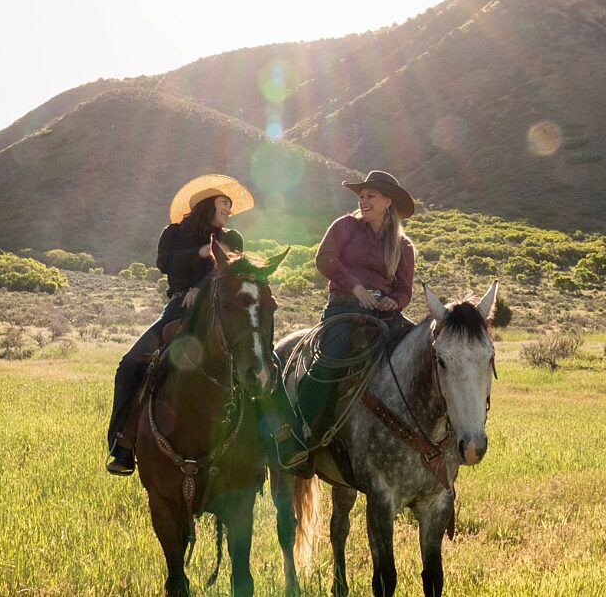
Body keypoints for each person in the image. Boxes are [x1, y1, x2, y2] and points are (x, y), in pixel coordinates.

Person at [105, 174, 252, 476]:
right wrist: (198, 253)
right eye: (225, 203)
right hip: (179, 305)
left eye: (230, 205)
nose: (229, 209)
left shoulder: (232, 239)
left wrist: (202, 285)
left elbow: (233, 271)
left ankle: (272, 443)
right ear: (208, 203)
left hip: (221, 307)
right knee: (130, 364)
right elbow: (164, 263)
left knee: (260, 358)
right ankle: (122, 444)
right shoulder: (173, 233)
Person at [281, 170, 416, 475]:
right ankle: (301, 440)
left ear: (387, 202)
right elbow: (325, 260)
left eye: (371, 196)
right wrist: (356, 289)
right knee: (328, 363)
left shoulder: (403, 246)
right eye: (362, 195)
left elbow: (404, 290)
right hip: (344, 308)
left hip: (384, 315)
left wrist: (393, 301)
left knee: (423, 354)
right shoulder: (345, 227)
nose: (364, 200)